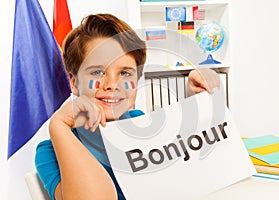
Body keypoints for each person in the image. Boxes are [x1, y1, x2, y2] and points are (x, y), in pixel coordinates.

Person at [35, 13, 220, 200]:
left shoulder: (141, 121)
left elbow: (185, 168)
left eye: (125, 73)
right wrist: (58, 125)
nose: (112, 84)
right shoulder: (50, 152)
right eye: (97, 72)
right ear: (74, 82)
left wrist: (197, 99)